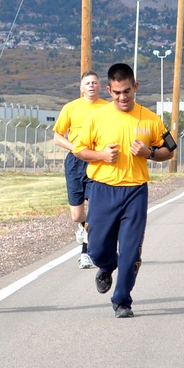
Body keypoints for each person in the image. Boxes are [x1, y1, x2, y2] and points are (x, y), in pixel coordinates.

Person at [73, 63, 175, 318]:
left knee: (130, 252)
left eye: (127, 91)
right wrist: (101, 155)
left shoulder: (150, 119)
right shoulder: (96, 118)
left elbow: (170, 149)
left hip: (134, 192)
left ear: (135, 87)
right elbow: (79, 149)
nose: (122, 97)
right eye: (116, 92)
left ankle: (122, 301)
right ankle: (107, 266)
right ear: (109, 90)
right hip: (101, 190)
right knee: (96, 250)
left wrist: (149, 152)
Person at [52, 70, 106, 268]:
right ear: (81, 88)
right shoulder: (71, 108)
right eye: (87, 83)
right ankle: (82, 227)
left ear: (100, 87)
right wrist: (73, 146)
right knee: (77, 215)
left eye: (94, 82)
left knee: (94, 210)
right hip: (75, 162)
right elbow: (57, 136)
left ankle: (86, 253)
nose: (91, 85)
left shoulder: (108, 108)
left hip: (97, 162)